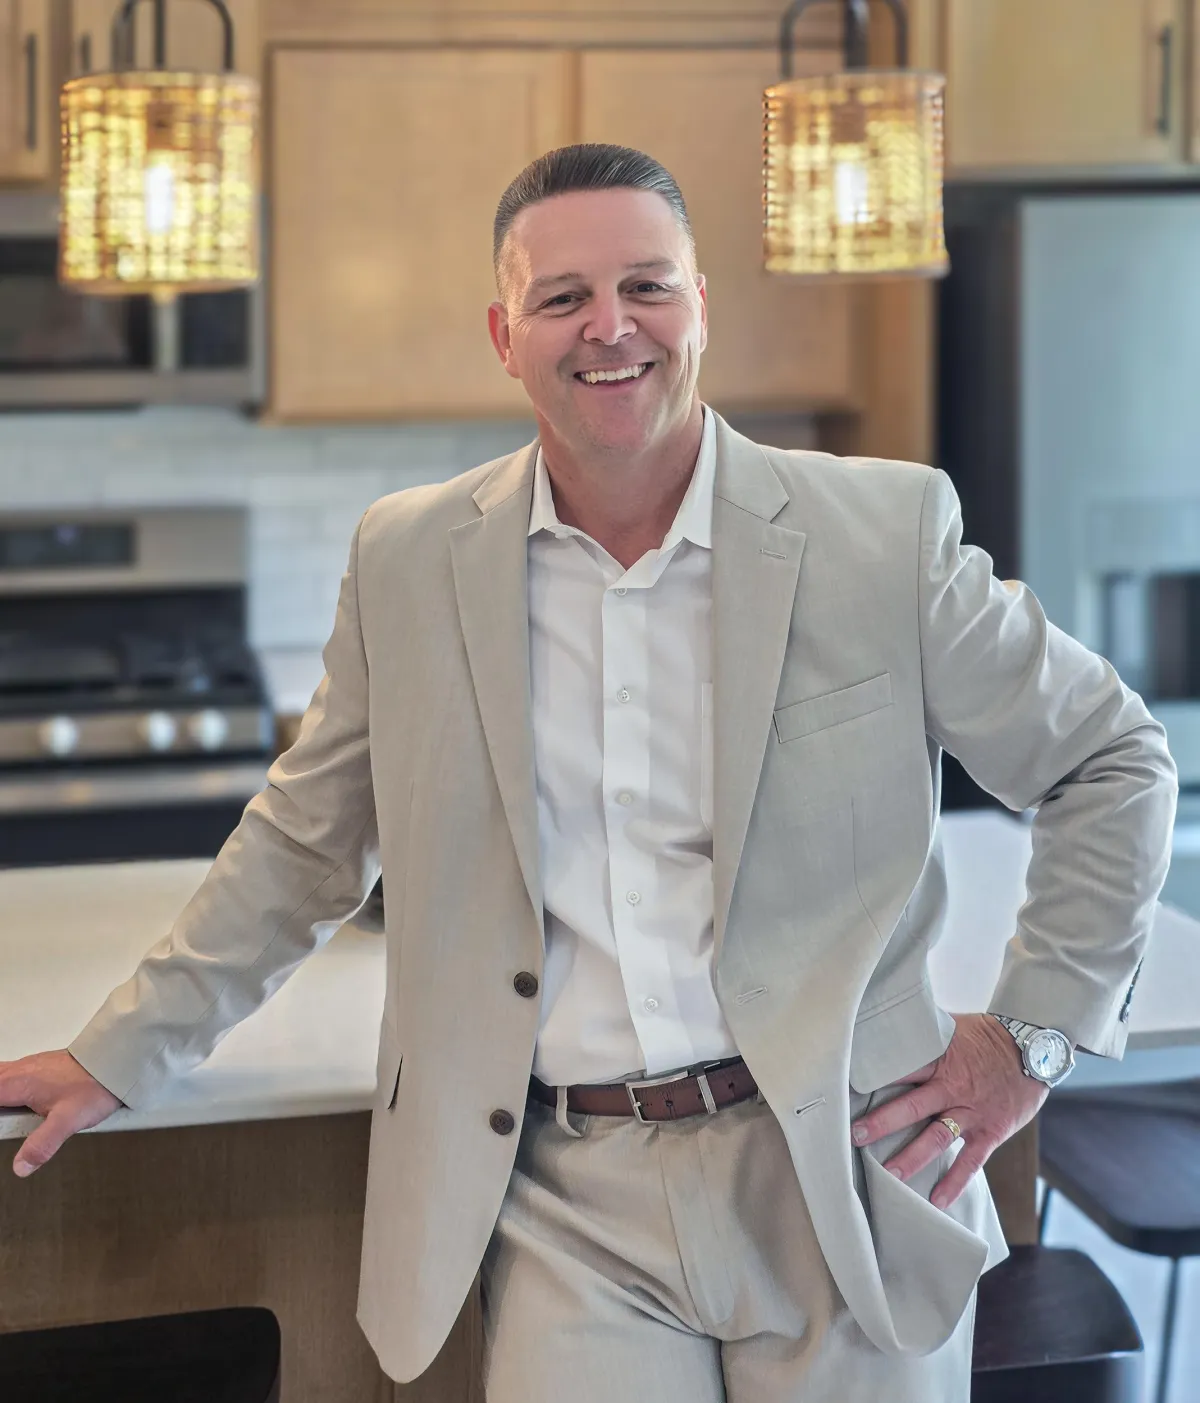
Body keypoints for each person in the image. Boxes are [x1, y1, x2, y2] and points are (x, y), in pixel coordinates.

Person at [0, 144, 1178, 1401]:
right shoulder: (408, 559)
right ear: (504, 337)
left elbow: (1111, 756)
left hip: (847, 1164)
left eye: (646, 286)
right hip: (573, 1196)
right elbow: (306, 843)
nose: (609, 326)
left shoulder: (881, 534)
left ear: (700, 307)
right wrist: (123, 1047)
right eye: (562, 297)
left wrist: (1032, 1037)